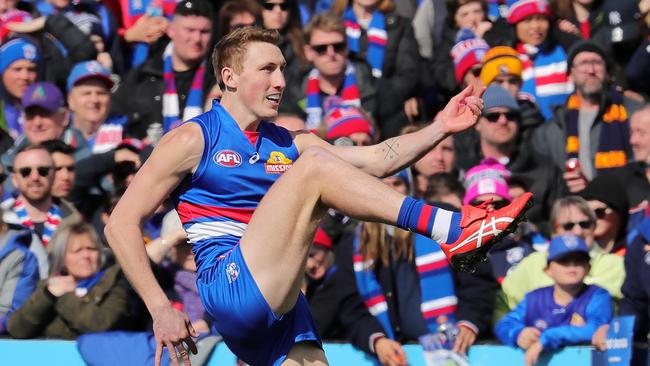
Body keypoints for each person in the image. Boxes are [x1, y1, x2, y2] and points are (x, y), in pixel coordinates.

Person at [104, 27, 533, 366]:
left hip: (283, 302)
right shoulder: (193, 138)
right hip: (229, 286)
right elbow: (120, 224)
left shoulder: (288, 142)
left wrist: (439, 127)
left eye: (283, 69)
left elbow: (377, 160)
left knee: (317, 164)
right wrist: (160, 308)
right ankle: (453, 228)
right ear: (229, 78)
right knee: (314, 168)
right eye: (267, 69)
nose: (281, 81)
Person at [531, 41, 640, 193]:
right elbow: (546, 185)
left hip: (625, 206)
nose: (591, 70)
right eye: (583, 63)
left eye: (597, 63)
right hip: (575, 210)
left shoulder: (633, 113)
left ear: (608, 73)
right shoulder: (552, 129)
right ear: (570, 75)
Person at [495, 195, 624, 321]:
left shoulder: (616, 265)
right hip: (540, 340)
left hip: (599, 339)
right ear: (554, 231)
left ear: (593, 227)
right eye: (568, 226)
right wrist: (515, 335)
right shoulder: (532, 264)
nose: (578, 231)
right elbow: (502, 303)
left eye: (585, 224)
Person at [495, 234, 612, 366]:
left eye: (579, 260)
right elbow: (504, 324)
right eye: (564, 260)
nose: (572, 266)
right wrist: (518, 334)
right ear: (548, 270)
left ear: (588, 268)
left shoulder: (598, 295)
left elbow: (597, 328)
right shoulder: (534, 298)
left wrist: (548, 338)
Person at [110, 0, 215, 143]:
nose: (196, 39)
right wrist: (135, 146)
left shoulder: (220, 78)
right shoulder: (143, 75)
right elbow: (113, 120)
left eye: (204, 32)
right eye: (189, 30)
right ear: (171, 30)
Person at [6, 220, 130, 339]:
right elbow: (17, 329)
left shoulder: (114, 284)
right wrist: (49, 295)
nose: (86, 256)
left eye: (91, 249)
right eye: (77, 251)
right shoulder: (49, 286)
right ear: (63, 257)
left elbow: (101, 325)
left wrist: (64, 295)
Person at [300, 13, 376, 131]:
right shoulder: (295, 95)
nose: (331, 54)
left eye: (338, 46)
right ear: (308, 52)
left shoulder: (376, 89)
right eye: (321, 49)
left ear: (347, 47)